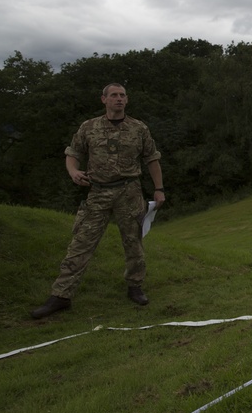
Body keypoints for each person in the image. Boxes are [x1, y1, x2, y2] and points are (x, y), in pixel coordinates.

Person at [31, 84, 165, 319]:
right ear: (104, 99)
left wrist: (159, 189)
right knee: (81, 243)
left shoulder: (138, 128)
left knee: (133, 242)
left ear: (127, 100)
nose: (119, 99)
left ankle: (135, 286)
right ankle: (61, 295)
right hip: (98, 192)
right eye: (114, 95)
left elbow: (152, 159)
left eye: (123, 95)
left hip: (129, 192)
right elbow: (73, 154)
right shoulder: (89, 127)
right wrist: (73, 172)